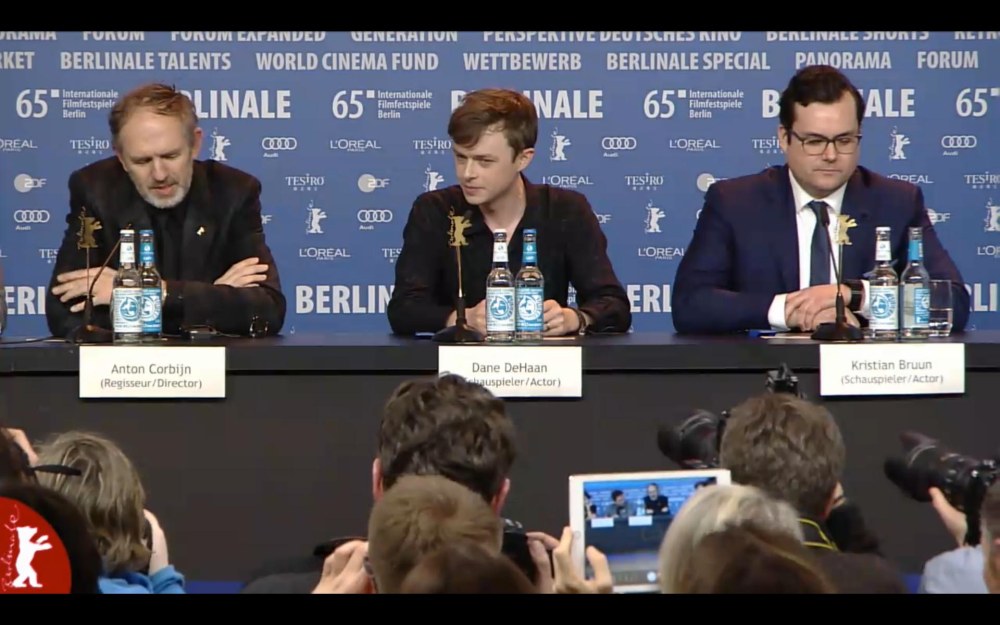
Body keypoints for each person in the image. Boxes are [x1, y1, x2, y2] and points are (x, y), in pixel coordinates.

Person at [671, 65, 969, 335]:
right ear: (784, 138)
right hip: (766, 372)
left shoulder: (896, 203)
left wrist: (856, 296)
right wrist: (790, 310)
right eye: (814, 141)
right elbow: (690, 303)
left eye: (844, 140)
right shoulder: (736, 203)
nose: (830, 155)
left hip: (864, 372)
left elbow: (952, 302)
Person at [45, 82, 285, 340]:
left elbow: (267, 311)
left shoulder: (233, 192)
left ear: (195, 144)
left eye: (170, 156)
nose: (159, 174)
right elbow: (67, 315)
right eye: (142, 161)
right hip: (125, 364)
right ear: (121, 157)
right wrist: (210, 299)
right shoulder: (95, 189)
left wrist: (156, 294)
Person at [386, 88, 631, 337]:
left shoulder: (565, 209)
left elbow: (614, 304)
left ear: (523, 159)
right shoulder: (437, 210)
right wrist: (460, 319)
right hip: (458, 361)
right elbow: (404, 309)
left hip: (543, 360)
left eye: (484, 161)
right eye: (461, 157)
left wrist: (575, 319)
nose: (467, 173)